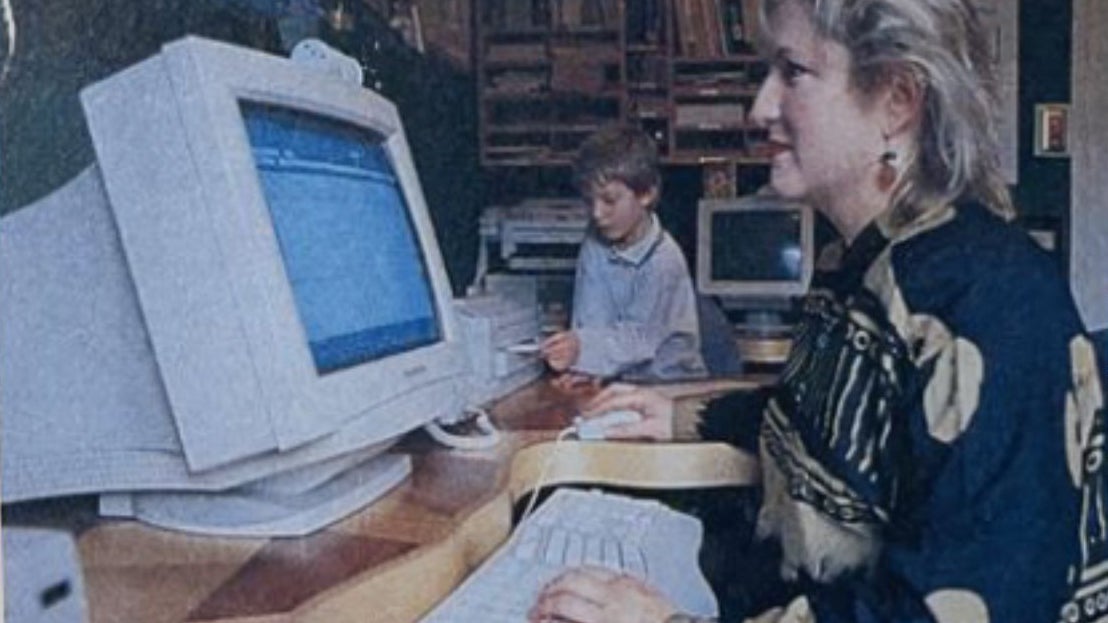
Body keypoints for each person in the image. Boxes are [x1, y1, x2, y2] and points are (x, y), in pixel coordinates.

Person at [528, 0, 1104, 621]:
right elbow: (821, 421)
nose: (760, 108)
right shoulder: (853, 263)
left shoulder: (990, 297)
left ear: (897, 101)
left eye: (794, 72)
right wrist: (680, 416)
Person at [540, 125, 707, 384]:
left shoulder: (664, 260)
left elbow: (638, 340)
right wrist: (585, 365)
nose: (597, 213)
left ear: (646, 194)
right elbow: (590, 320)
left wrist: (582, 350)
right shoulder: (595, 241)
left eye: (609, 200)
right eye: (589, 201)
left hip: (671, 384)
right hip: (621, 379)